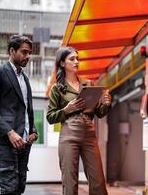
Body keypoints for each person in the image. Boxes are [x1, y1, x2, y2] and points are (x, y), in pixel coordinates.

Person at [46, 46, 111, 195]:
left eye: (77, 59)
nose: (76, 61)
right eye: (72, 59)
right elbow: (50, 117)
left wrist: (106, 103)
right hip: (68, 135)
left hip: (89, 134)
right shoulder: (57, 88)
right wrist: (66, 110)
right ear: (62, 63)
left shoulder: (88, 84)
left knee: (98, 181)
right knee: (70, 181)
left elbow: (99, 113)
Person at [0, 35, 38, 195]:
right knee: (9, 188)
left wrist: (34, 130)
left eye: (29, 52)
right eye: (24, 52)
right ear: (12, 51)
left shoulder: (25, 78)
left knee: (19, 187)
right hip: (6, 140)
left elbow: (27, 109)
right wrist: (9, 133)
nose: (28, 56)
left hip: (24, 142)